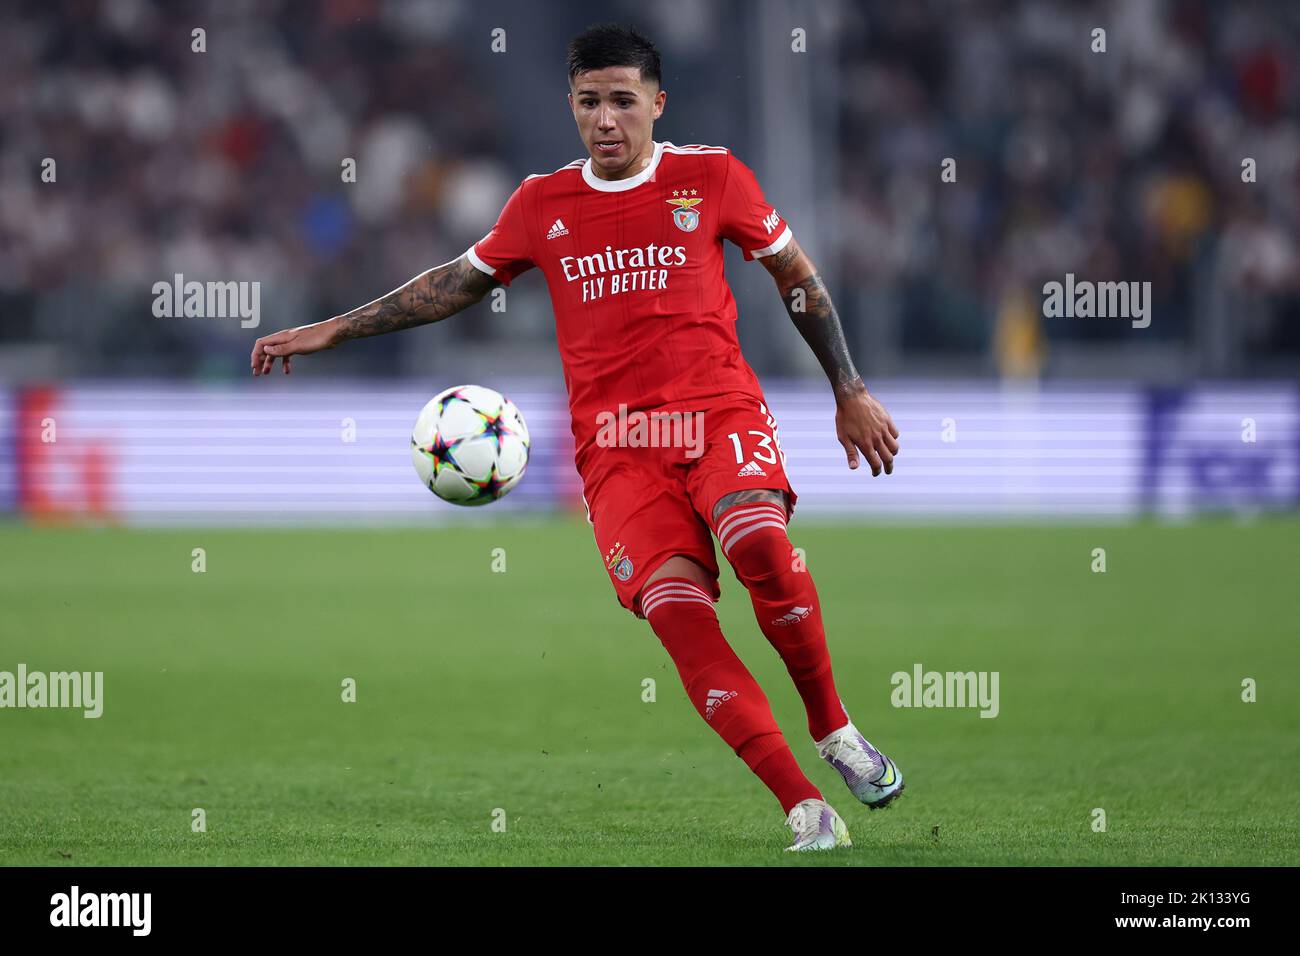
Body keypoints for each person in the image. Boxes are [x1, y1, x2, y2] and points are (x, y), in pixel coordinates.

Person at [251, 24, 903, 851]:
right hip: (618, 453)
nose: (606, 119)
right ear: (571, 104)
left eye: (624, 102)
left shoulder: (713, 177)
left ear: (657, 105)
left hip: (717, 415)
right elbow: (455, 282)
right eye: (590, 102)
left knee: (762, 550)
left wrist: (847, 389)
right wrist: (333, 330)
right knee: (681, 619)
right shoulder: (540, 204)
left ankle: (834, 727)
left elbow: (795, 275)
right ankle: (805, 808)